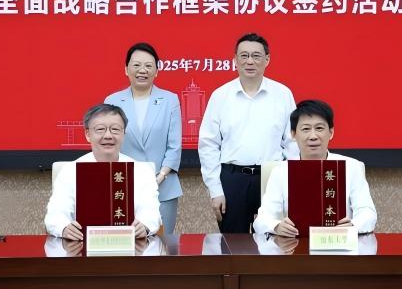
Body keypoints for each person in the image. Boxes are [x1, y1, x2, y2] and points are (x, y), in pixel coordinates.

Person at [198, 33, 298, 233]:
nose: (250, 61)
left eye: (256, 56)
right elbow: (208, 145)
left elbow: (292, 142)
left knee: (275, 239)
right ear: (235, 60)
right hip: (233, 179)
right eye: (244, 56)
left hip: (272, 177)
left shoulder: (282, 94)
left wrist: (290, 185)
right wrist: (215, 190)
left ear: (267, 59)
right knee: (233, 244)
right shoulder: (221, 96)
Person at [253, 99, 377, 236]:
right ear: (293, 134)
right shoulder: (281, 171)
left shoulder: (351, 166)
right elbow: (262, 219)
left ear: (331, 132)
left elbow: (368, 213)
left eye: (319, 128)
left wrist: (353, 225)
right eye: (306, 129)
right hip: (295, 245)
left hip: (339, 242)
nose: (313, 136)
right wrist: (276, 226)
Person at [44, 104, 161, 240]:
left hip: (130, 245)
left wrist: (145, 226)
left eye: (115, 129)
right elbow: (56, 213)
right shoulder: (71, 171)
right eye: (100, 129)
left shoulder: (141, 171)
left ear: (124, 134)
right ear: (88, 134)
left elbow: (151, 212)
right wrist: (64, 228)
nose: (108, 135)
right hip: (81, 246)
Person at [105, 43, 182, 234]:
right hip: (122, 186)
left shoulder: (170, 100)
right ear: (126, 69)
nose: (142, 70)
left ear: (157, 71)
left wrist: (160, 177)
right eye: (136, 65)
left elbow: (174, 146)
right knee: (124, 243)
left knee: (162, 243)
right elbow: (108, 145)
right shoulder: (112, 101)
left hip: (162, 187)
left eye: (148, 66)